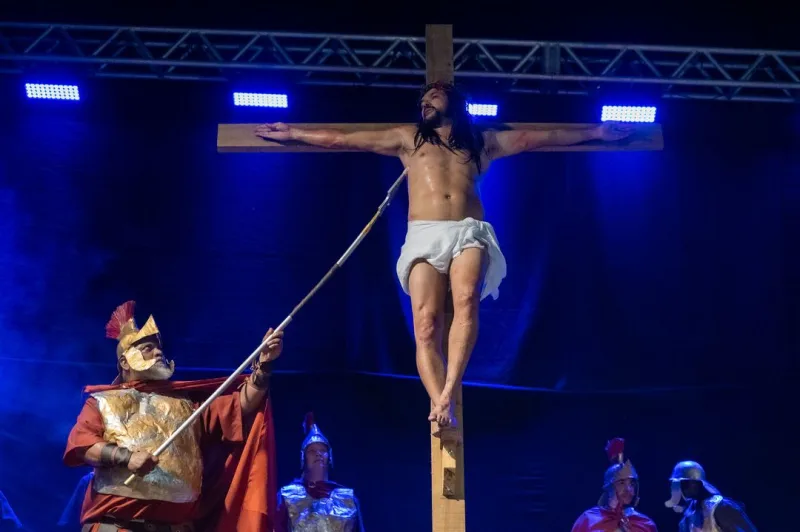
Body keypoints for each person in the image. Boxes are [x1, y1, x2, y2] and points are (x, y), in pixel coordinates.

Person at [255, 82, 634, 433]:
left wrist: (596, 132)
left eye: (434, 95)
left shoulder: (480, 142)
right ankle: (439, 401)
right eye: (423, 99)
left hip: (468, 229)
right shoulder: (408, 140)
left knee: (467, 300)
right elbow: (344, 139)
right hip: (424, 233)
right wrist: (295, 133)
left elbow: (540, 138)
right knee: (425, 324)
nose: (426, 102)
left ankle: (450, 389)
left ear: (454, 103)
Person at [62, 300, 283, 531]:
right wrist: (126, 458)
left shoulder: (187, 403)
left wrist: (264, 367)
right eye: (148, 347)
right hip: (119, 526)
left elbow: (241, 406)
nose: (158, 352)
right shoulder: (102, 402)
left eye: (159, 348)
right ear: (125, 361)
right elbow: (82, 444)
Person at [274, 413, 365, 532]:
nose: (318, 454)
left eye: (323, 450)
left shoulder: (348, 499)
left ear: (330, 457)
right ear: (303, 458)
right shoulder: (287, 496)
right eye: (311, 451)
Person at [571, 438, 658, 532]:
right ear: (608, 487)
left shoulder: (645, 524)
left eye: (632, 484)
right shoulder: (588, 520)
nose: (628, 489)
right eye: (621, 483)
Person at [664, 460, 757, 532]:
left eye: (684, 483)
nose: (681, 488)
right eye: (679, 484)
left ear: (697, 483)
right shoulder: (687, 517)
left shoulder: (722, 507)